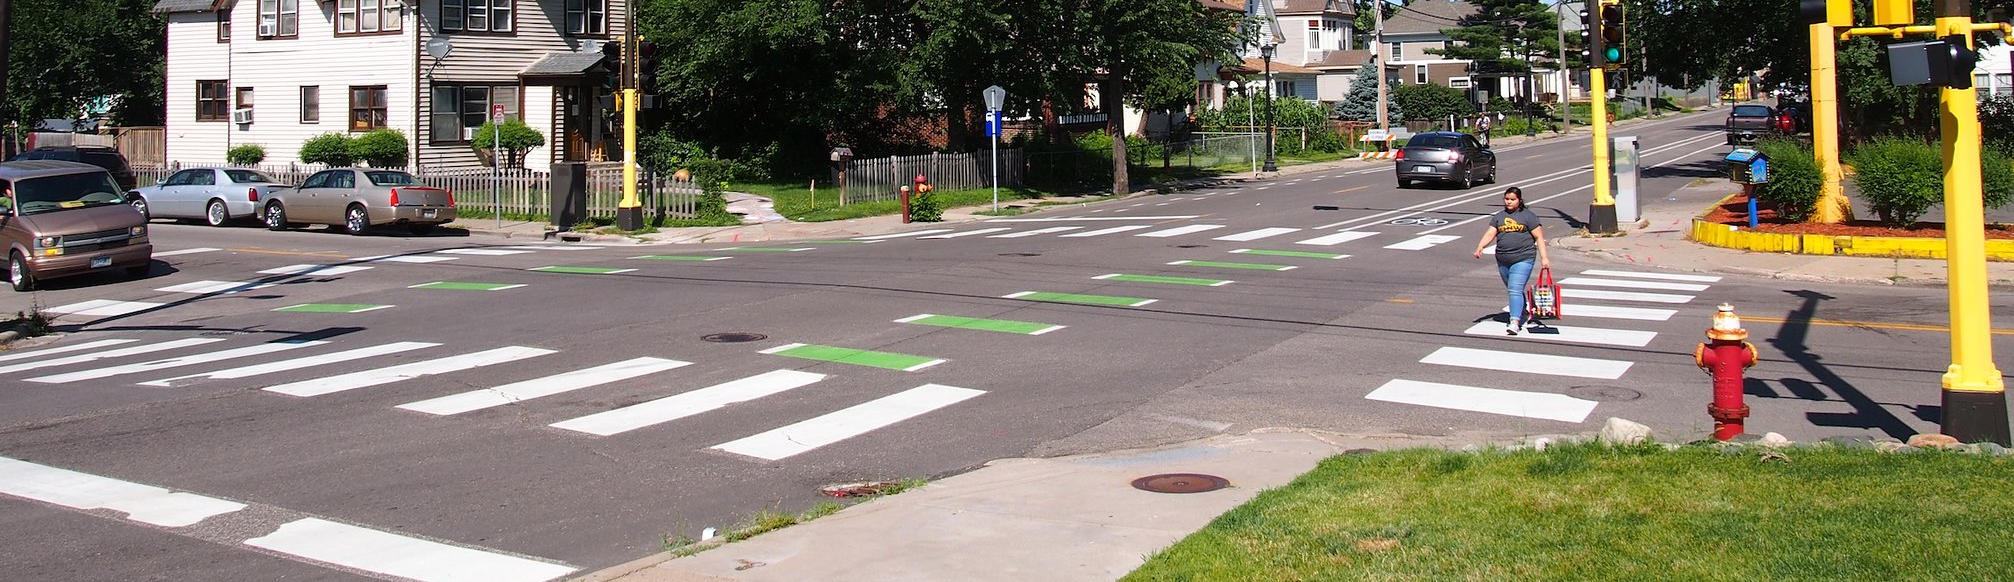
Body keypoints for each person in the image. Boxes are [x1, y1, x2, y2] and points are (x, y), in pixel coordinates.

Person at [1473, 186, 1550, 335]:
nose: (1509, 202)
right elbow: (1490, 233)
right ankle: (1523, 310)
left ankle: (1514, 322)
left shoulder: (1528, 216)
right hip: (1503, 259)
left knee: (1514, 289)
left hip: (1523, 258)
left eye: (1512, 199)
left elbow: (1539, 237)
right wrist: (1480, 246)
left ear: (1519, 200)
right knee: (1513, 288)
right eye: (1507, 199)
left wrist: (1544, 258)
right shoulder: (1499, 217)